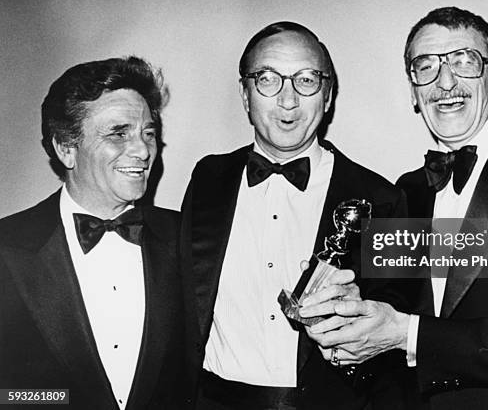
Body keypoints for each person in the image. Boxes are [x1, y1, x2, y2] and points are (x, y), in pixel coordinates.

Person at [301, 7, 488, 409]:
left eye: (464, 61)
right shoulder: (406, 191)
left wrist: (408, 334)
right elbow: (389, 339)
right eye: (425, 66)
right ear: (414, 92)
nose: (445, 82)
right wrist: (351, 321)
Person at [181, 21, 408, 410]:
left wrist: (354, 318)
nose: (288, 100)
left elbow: (393, 347)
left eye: (306, 80)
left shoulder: (382, 199)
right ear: (245, 94)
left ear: (328, 94)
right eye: (268, 79)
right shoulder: (207, 178)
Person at [0, 57, 186, 409]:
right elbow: (7, 396)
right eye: (119, 133)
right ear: (66, 148)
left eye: (149, 133)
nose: (144, 151)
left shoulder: (185, 238)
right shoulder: (7, 248)